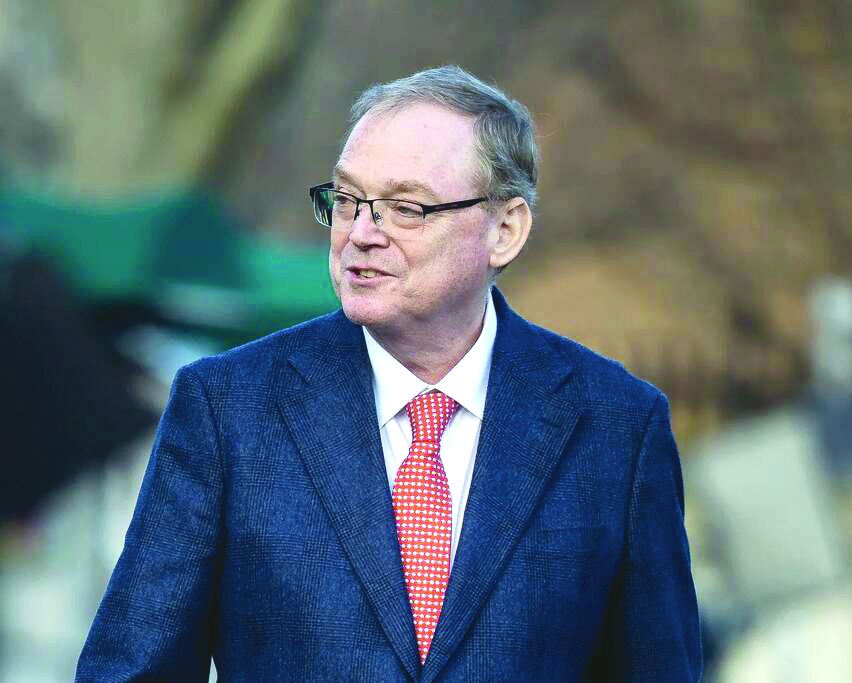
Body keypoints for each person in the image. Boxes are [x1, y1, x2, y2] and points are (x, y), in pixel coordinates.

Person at [77, 65, 702, 682]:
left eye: (405, 208)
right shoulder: (227, 408)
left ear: (505, 230)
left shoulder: (617, 427)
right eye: (347, 200)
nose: (360, 234)